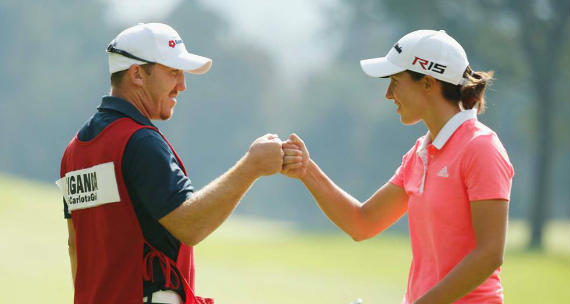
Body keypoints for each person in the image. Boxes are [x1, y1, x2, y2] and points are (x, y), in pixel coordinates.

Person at [56, 23, 285, 304]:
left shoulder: (75, 150)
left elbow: (75, 246)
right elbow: (189, 225)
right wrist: (252, 166)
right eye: (173, 72)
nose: (182, 85)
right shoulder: (140, 142)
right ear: (137, 74)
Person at [281, 30, 514, 303]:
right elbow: (362, 223)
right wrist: (306, 170)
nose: (388, 94)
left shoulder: (481, 148)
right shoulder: (420, 153)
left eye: (395, 81)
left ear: (428, 83)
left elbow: (489, 254)